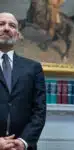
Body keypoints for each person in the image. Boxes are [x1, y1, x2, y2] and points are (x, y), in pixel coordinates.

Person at [0, 12, 46, 150]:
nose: (7, 28)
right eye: (1, 24)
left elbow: (39, 110)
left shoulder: (33, 68)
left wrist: (24, 141)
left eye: (12, 25)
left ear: (18, 35)